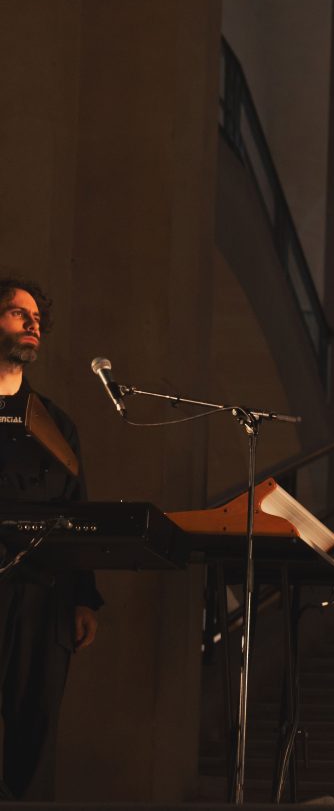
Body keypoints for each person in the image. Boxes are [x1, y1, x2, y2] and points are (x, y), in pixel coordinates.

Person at [0, 278, 102, 799]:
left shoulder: (55, 422)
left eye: (37, 317)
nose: (32, 323)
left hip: (44, 599)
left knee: (35, 735)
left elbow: (75, 511)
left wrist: (83, 596)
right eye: (18, 312)